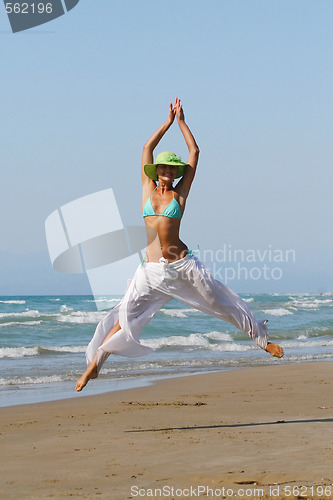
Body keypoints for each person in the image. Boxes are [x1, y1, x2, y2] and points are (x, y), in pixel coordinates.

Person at [76, 98, 284, 392]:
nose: (169, 172)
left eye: (174, 169)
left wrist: (183, 122)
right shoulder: (148, 189)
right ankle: (93, 368)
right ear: (157, 169)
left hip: (183, 266)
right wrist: (168, 123)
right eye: (165, 168)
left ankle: (262, 341)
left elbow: (195, 152)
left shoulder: (180, 194)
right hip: (149, 272)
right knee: (124, 317)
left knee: (219, 302)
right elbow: (146, 148)